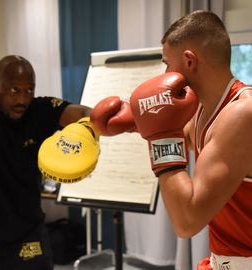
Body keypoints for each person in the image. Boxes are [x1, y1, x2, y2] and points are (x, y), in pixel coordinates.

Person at [90, 10, 252, 270]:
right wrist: (134, 119)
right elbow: (183, 135)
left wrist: (160, 134)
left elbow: (187, 221)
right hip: (223, 261)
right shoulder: (203, 111)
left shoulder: (243, 114)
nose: (164, 71)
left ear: (189, 60)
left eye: (167, 63)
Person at [0, 55, 92, 270]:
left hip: (28, 229)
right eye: (14, 90)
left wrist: (96, 121)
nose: (22, 99)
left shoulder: (39, 109)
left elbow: (81, 113)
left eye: (29, 90)